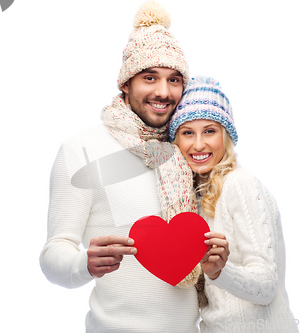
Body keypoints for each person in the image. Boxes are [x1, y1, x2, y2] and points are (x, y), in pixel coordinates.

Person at [39, 1, 203, 332]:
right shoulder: (81, 150)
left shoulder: (188, 149)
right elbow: (53, 256)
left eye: (174, 80)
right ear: (125, 84)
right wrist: (83, 264)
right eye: (149, 77)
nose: (163, 91)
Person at [169, 76, 300, 333]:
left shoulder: (239, 184)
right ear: (176, 140)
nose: (198, 144)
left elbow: (266, 285)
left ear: (225, 135)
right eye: (187, 132)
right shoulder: (190, 196)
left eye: (209, 131)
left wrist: (219, 272)